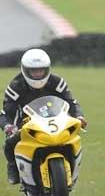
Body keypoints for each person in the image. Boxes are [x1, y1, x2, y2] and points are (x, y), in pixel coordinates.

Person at [0, 48, 87, 185]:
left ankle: (72, 167)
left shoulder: (57, 82)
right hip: (27, 122)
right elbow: (6, 112)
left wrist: (79, 117)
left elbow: (72, 102)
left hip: (55, 119)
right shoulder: (16, 86)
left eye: (41, 70)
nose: (37, 74)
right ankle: (13, 167)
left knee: (73, 137)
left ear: (47, 69)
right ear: (25, 70)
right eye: (33, 71)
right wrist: (9, 127)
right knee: (9, 143)